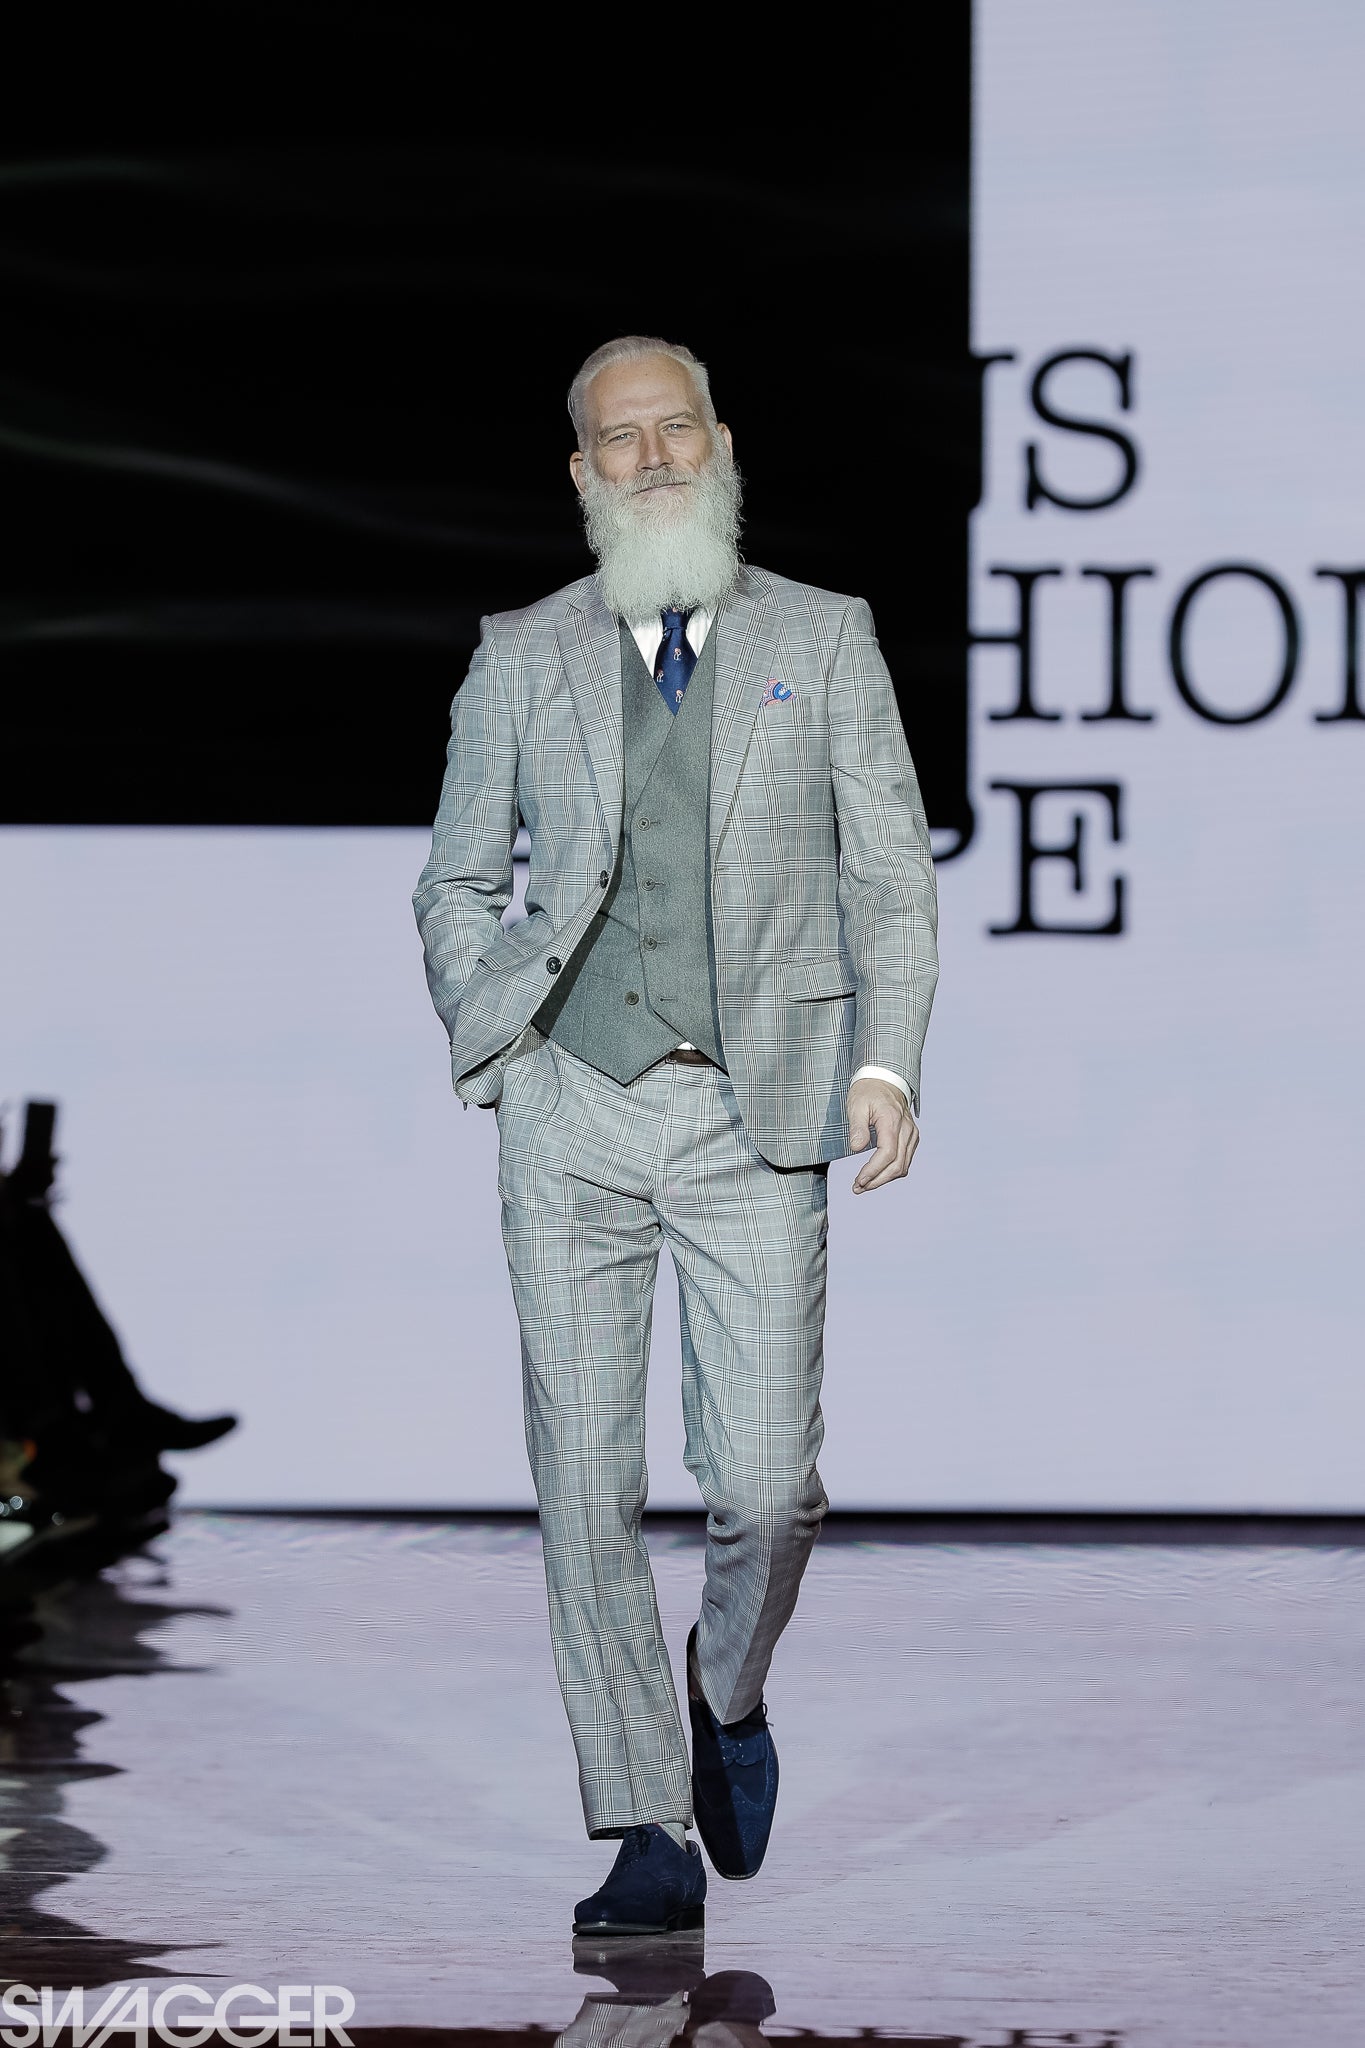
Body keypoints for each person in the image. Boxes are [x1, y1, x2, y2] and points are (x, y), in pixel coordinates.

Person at [414, 337, 938, 1935]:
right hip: (568, 1104)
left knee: (768, 1487)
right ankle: (641, 1818)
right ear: (580, 473)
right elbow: (456, 878)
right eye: (618, 438)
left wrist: (885, 1063)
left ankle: (725, 1691)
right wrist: (492, 1035)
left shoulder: (822, 638)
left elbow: (888, 873)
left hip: (751, 1107)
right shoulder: (520, 655)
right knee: (583, 1481)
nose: (651, 458)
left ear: (719, 441)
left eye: (674, 428)